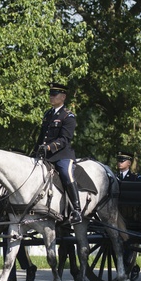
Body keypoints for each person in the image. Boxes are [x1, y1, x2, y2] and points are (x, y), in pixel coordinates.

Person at [34, 82, 81, 224]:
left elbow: (65, 139)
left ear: (63, 97)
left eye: (54, 95)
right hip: (45, 155)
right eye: (50, 94)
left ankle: (76, 209)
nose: (51, 97)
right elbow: (41, 137)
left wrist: (48, 148)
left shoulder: (68, 116)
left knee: (66, 174)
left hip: (62, 155)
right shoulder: (48, 114)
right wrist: (35, 152)